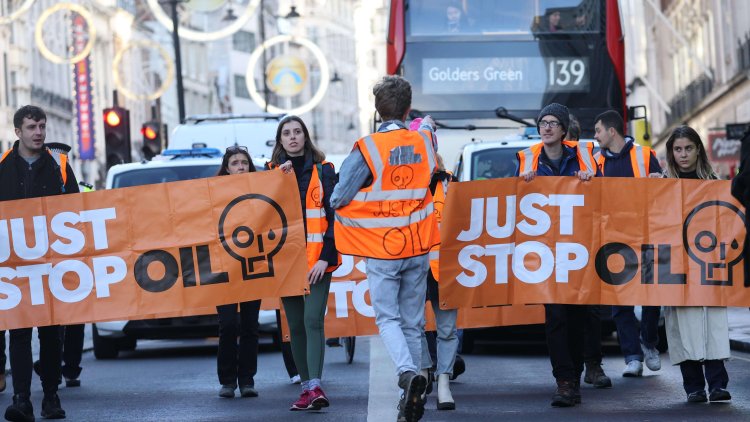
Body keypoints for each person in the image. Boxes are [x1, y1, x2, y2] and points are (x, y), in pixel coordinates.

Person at [331, 75, 438, 422]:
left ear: (378, 112)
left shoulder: (368, 147)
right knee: (412, 322)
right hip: (418, 244)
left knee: (387, 318)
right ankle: (409, 387)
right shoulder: (424, 143)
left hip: (380, 248)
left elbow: (338, 197)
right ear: (408, 110)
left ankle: (407, 375)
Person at [515, 103, 598, 407]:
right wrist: (521, 186)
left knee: (576, 316)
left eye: (553, 123)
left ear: (564, 130)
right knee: (556, 316)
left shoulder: (585, 156)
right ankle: (564, 380)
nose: (547, 127)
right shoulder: (527, 160)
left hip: (578, 250)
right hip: (546, 251)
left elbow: (605, 197)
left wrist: (592, 179)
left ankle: (573, 375)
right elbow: (511, 203)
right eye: (542, 123)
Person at [1, 105, 78, 421]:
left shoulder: (60, 166)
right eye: (32, 127)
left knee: (51, 334)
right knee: (18, 334)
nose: (39, 133)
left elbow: (77, 213)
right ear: (17, 131)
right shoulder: (3, 167)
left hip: (51, 265)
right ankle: (22, 400)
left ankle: (50, 396)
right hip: (16, 267)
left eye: (42, 126)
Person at [269, 116, 339, 411]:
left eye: (298, 132)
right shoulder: (270, 174)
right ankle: (305, 388)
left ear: (305, 137)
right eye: (287, 133)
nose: (293, 137)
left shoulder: (325, 171)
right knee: (295, 326)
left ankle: (315, 386)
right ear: (280, 140)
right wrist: (276, 181)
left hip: (316, 262)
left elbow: (335, 217)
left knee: (312, 320)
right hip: (286, 263)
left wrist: (326, 257)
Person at [661, 125, 731, 403]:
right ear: (671, 152)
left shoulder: (715, 183)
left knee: (712, 321)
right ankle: (693, 386)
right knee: (681, 324)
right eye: (678, 149)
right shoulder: (661, 186)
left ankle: (717, 384)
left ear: (698, 149)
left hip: (708, 264)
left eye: (688, 148)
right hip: (675, 266)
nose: (683, 154)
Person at [593, 110, 663, 378]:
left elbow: (663, 191)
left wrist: (660, 181)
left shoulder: (645, 155)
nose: (595, 136)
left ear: (612, 131)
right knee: (619, 300)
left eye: (598, 130)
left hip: (646, 234)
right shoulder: (596, 161)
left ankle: (649, 342)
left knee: (651, 294)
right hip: (613, 238)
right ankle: (632, 357)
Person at [564, 115, 612, 389]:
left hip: (588, 245)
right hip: (558, 249)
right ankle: (570, 368)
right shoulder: (541, 161)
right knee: (563, 312)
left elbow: (605, 195)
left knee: (592, 309)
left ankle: (593, 365)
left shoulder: (592, 161)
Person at [214, 145, 262, 399]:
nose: (241, 167)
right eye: (235, 163)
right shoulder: (213, 195)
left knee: (250, 326)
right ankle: (227, 381)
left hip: (253, 267)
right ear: (226, 168)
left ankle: (247, 380)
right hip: (224, 271)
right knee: (229, 324)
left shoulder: (261, 191)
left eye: (244, 162)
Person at [419, 153, 459, 411]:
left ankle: (443, 381)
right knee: (414, 327)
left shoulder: (451, 184)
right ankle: (423, 376)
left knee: (446, 330)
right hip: (412, 267)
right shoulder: (401, 186)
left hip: (444, 268)